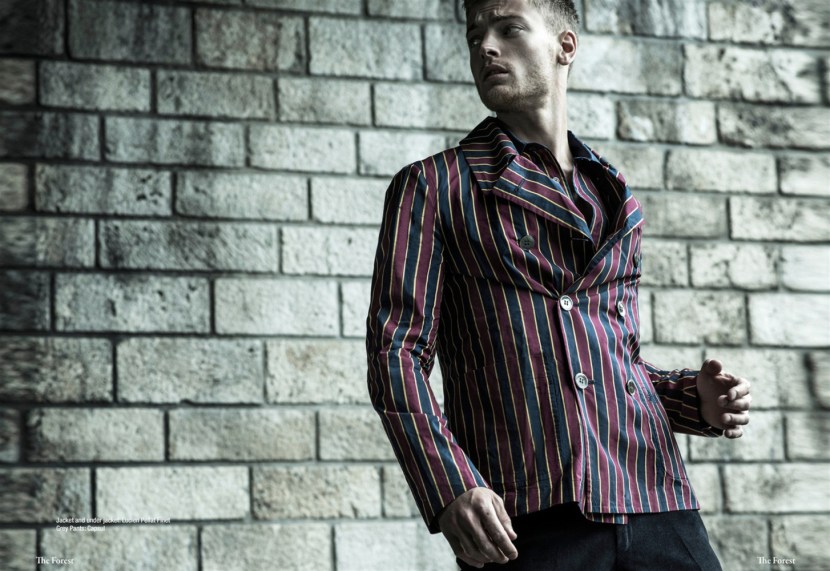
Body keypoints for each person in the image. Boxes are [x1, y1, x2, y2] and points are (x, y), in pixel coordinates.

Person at [365, 0, 752, 569]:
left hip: (655, 499)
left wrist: (693, 400)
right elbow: (395, 352)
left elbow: (613, 363)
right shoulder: (433, 186)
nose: (485, 46)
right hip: (528, 514)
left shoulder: (613, 196)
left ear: (564, 46)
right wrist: (449, 484)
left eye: (509, 28)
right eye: (475, 36)